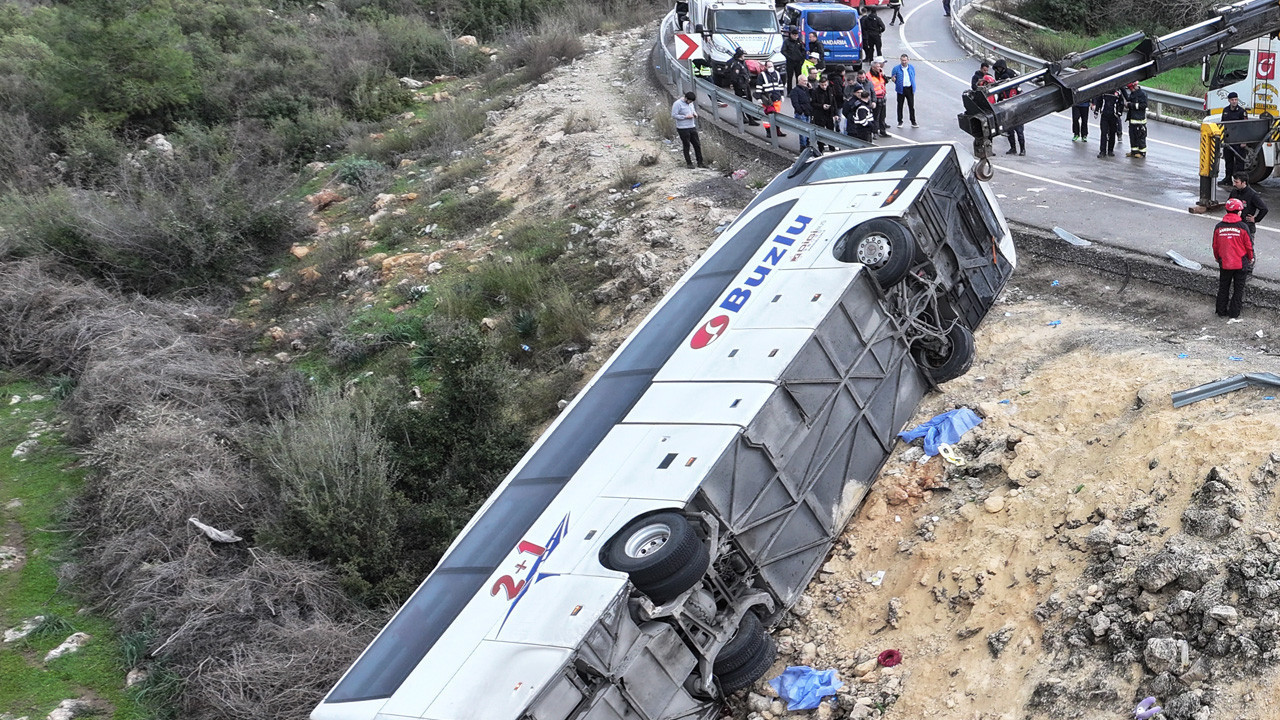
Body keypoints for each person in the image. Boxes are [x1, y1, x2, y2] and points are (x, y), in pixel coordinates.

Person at [1212, 197, 1255, 318]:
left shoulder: (1219, 227)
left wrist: (1218, 258)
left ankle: (1221, 311)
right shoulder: (1243, 227)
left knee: (1223, 287)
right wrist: (1251, 258)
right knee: (1238, 289)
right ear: (1239, 212)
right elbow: (1249, 246)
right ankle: (1234, 313)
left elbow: (1215, 245)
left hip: (1225, 263)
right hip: (1241, 263)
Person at [670, 91, 707, 168]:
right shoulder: (677, 104)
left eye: (691, 101)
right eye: (689, 101)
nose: (690, 102)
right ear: (686, 98)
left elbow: (692, 110)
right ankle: (689, 163)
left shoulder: (691, 103)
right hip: (682, 128)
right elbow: (674, 115)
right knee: (686, 145)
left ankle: (700, 162)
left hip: (692, 126)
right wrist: (685, 117)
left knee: (697, 145)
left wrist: (694, 114)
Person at [1220, 91, 1249, 185]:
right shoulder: (1225, 111)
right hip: (1229, 140)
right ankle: (1228, 178)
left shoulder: (1241, 112)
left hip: (1238, 140)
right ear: (1229, 100)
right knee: (1228, 161)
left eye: (1236, 99)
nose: (1234, 101)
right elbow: (1223, 125)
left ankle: (1240, 181)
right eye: (1232, 100)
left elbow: (1245, 127)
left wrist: (1244, 141)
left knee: (1240, 163)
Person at [1228, 172, 1269, 238]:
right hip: (1234, 226)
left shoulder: (1252, 195)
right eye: (1234, 182)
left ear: (1244, 182)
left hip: (1247, 228)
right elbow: (1228, 205)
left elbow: (1264, 209)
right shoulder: (1234, 192)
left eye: (1236, 182)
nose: (1234, 184)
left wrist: (1256, 219)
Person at [754, 61, 787, 138]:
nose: (771, 68)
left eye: (771, 66)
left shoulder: (777, 73)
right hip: (767, 100)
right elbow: (759, 87)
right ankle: (769, 132)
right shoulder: (762, 75)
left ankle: (777, 131)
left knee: (777, 116)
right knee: (767, 117)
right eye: (769, 66)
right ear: (765, 67)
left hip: (776, 98)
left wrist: (782, 95)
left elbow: (780, 85)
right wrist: (759, 97)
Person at [726, 49, 758, 125]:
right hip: (741, 86)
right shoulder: (736, 64)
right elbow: (734, 76)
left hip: (745, 84)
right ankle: (747, 118)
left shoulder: (742, 62)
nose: (744, 56)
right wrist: (734, 84)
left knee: (749, 100)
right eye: (743, 55)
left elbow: (746, 71)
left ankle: (751, 116)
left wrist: (748, 78)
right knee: (744, 102)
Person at [810, 75, 839, 152]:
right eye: (822, 85)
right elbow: (813, 103)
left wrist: (835, 114)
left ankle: (832, 147)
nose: (824, 87)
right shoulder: (815, 92)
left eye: (825, 84)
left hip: (829, 114)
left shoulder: (830, 90)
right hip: (820, 115)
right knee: (820, 132)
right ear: (819, 84)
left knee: (830, 132)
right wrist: (822, 106)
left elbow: (834, 102)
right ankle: (821, 148)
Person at [1093, 89, 1123, 157]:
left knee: (1112, 133)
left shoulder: (1118, 92)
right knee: (1104, 133)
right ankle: (1102, 151)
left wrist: (1119, 113)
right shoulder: (1104, 91)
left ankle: (1110, 150)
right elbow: (1099, 101)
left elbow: (1121, 103)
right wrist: (1096, 111)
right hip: (1104, 115)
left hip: (1113, 116)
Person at [890, 54, 917, 128]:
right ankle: (900, 121)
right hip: (900, 89)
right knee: (900, 106)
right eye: (902, 60)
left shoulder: (911, 67)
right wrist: (896, 82)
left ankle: (913, 121)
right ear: (900, 60)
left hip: (909, 88)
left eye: (905, 60)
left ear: (908, 60)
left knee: (911, 106)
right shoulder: (896, 68)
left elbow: (913, 76)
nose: (904, 62)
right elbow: (893, 78)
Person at [1124, 81, 1148, 158]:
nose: (1130, 90)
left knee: (1140, 136)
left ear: (1134, 87)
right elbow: (1129, 100)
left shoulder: (1142, 94)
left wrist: (1130, 105)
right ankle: (1134, 151)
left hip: (1140, 120)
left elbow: (1144, 105)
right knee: (1132, 136)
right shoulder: (1133, 94)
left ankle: (1142, 153)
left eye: (1131, 88)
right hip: (1132, 119)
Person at [790, 74, 814, 149]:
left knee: (808, 131)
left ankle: (807, 144)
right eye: (804, 81)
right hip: (801, 114)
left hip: (807, 113)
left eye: (806, 81)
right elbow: (795, 103)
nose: (805, 82)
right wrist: (800, 111)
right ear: (799, 81)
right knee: (803, 131)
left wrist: (811, 89)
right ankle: (803, 146)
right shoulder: (795, 91)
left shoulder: (806, 90)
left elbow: (812, 97)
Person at [868, 58, 889, 136]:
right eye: (878, 67)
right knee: (876, 116)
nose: (879, 68)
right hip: (875, 98)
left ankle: (883, 131)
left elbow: (885, 81)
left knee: (882, 116)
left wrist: (883, 75)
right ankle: (875, 132)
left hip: (882, 97)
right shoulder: (868, 76)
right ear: (873, 67)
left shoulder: (880, 73)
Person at [782, 26, 806, 91]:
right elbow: (783, 51)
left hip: (798, 62)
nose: (796, 37)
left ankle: (799, 90)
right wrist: (789, 57)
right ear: (791, 35)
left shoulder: (799, 42)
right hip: (790, 62)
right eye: (794, 35)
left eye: (797, 35)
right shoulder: (787, 42)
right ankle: (789, 91)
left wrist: (801, 57)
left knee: (798, 77)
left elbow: (803, 50)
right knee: (789, 77)